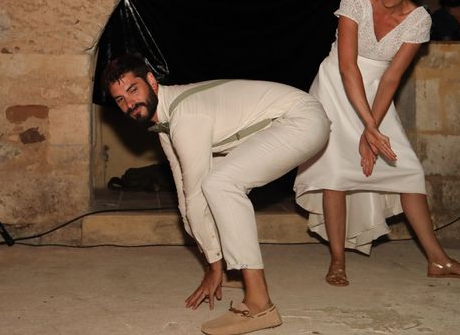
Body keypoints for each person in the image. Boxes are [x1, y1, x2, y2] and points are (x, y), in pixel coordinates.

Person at [294, 0, 460, 287]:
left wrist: (374, 128)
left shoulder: (419, 19)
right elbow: (348, 67)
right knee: (336, 171)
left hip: (378, 97)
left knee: (408, 170)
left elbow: (392, 78)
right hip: (337, 87)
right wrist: (368, 128)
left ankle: (438, 260)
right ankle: (337, 260)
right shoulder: (355, 1)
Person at [102, 54, 330, 335]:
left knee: (220, 183)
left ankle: (259, 304)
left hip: (301, 119)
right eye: (120, 99)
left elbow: (196, 195)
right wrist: (213, 258)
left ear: (151, 80)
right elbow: (185, 198)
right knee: (215, 183)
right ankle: (238, 269)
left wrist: (212, 265)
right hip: (285, 122)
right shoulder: (167, 125)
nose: (129, 103)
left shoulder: (186, 116)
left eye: (133, 89)